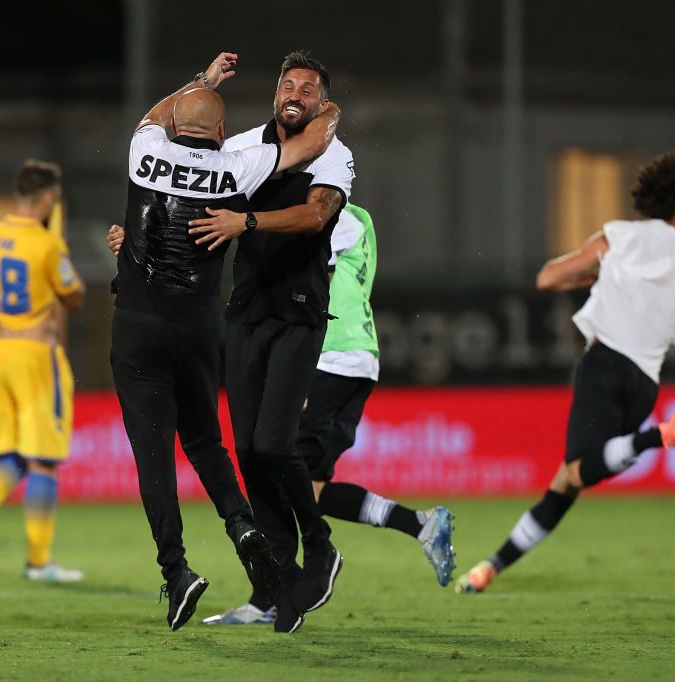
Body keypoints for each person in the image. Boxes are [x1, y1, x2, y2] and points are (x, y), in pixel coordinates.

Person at [112, 51, 341, 632]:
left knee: (153, 453)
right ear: (219, 131)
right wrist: (329, 109)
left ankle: (177, 571)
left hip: (138, 325)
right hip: (197, 330)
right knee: (208, 444)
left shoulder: (144, 151)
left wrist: (202, 81)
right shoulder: (236, 166)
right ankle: (246, 534)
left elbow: (151, 119)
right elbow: (308, 146)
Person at [456, 149, 675, 594]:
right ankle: (489, 568)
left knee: (578, 470)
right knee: (570, 480)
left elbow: (548, 279)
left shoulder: (615, 236)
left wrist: (597, 277)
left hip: (603, 364)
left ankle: (662, 435)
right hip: (644, 384)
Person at [203, 203, 457, 626]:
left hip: (329, 358)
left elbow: (318, 282)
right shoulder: (356, 217)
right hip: (348, 358)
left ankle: (273, 593)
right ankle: (420, 524)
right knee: (307, 485)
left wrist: (294, 373)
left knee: (274, 465)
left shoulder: (330, 214)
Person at [184, 50, 353, 633]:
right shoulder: (245, 150)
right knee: (250, 453)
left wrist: (247, 222)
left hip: (299, 314)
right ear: (275, 93)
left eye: (309, 87)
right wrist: (136, 235)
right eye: (288, 83)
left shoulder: (335, 153)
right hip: (247, 314)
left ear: (320, 103)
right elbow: (198, 200)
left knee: (276, 444)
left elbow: (313, 217)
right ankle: (274, 589)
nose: (296, 92)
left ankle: (321, 547)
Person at [0, 160, 86, 583]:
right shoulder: (46, 244)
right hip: (34, 355)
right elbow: (73, 298)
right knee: (44, 461)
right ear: (48, 198)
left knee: (10, 457)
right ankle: (38, 561)